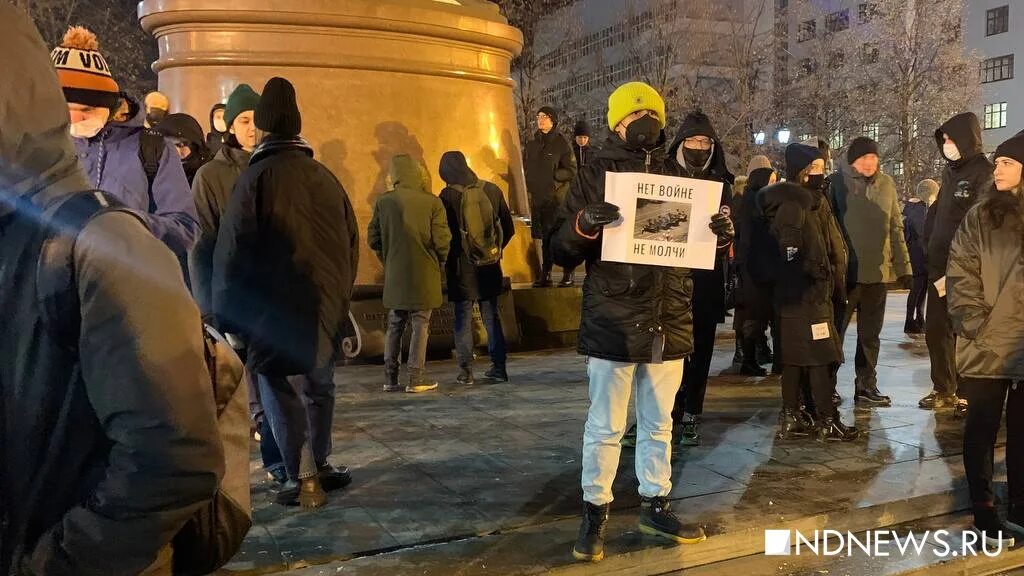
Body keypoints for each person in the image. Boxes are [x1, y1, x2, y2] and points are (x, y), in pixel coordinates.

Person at [0, 8, 222, 574]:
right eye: (69, 106)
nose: (79, 118)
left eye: (88, 108)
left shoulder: (144, 156)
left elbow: (171, 457)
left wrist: (115, 228)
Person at [552, 81, 734, 562]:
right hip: (613, 317)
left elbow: (699, 252)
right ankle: (595, 511)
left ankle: (657, 503)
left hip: (668, 314)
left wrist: (719, 237)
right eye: (634, 117)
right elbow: (558, 248)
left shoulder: (679, 176)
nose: (644, 124)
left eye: (651, 115)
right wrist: (584, 225)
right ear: (617, 123)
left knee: (659, 424)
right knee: (605, 426)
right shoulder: (595, 173)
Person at [213, 77, 359, 508]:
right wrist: (339, 300)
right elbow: (351, 244)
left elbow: (231, 255)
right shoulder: (325, 177)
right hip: (324, 307)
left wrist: (229, 320)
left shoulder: (253, 180)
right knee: (319, 384)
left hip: (270, 312)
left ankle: (302, 474)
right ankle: (322, 462)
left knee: (277, 386)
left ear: (261, 128)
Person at [189, 83, 284, 482]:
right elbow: (201, 243)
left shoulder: (274, 165)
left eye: (256, 121)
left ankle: (283, 461)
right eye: (244, 120)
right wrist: (209, 305)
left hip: (273, 294)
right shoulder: (210, 176)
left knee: (272, 384)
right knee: (243, 387)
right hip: (232, 297)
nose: (252, 128)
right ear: (229, 125)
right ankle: (264, 465)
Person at [51, 26, 198, 266]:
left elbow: (185, 227)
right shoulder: (35, 144)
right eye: (68, 111)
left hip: (124, 285)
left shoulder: (152, 147)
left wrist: (124, 225)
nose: (76, 121)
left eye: (86, 111)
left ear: (111, 107)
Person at [946, 132, 1024, 547]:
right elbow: (961, 272)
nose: (998, 169)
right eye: (997, 163)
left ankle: (1021, 507)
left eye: (1008, 163)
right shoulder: (980, 216)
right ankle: (985, 509)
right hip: (988, 341)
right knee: (981, 427)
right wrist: (975, 323)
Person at [764, 143, 857, 442]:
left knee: (796, 358)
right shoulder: (795, 203)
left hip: (810, 294)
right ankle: (826, 419)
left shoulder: (816, 200)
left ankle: (792, 415)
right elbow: (788, 249)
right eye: (813, 168)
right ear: (800, 172)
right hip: (806, 295)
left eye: (821, 166)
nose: (819, 173)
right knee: (820, 356)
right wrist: (814, 268)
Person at [666, 111, 735, 447]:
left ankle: (692, 408)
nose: (698, 147)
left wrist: (724, 236)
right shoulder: (663, 177)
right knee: (665, 352)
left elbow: (725, 242)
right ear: (681, 143)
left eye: (705, 142)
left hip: (704, 282)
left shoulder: (721, 186)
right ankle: (664, 411)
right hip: (667, 281)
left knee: (701, 347)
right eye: (693, 141)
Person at [829, 136, 912, 408]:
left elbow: (896, 228)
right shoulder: (836, 183)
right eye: (865, 157)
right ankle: (826, 385)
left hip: (877, 274)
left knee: (870, 335)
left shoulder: (886, 184)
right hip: (845, 275)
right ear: (853, 160)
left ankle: (866, 385)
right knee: (835, 333)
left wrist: (903, 267)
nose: (870, 162)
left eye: (874, 157)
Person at [921, 112, 993, 415]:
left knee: (966, 331)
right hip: (939, 267)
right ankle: (943, 388)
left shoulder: (984, 174)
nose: (946, 145)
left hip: (964, 269)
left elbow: (979, 223)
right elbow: (938, 215)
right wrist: (929, 246)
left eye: (950, 139)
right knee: (936, 329)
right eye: (944, 140)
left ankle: (967, 392)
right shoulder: (950, 172)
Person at [368, 154, 451, 394]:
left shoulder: (384, 203)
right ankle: (416, 377)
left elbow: (373, 238)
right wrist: (439, 262)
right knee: (420, 324)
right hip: (425, 272)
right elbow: (442, 241)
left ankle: (390, 377)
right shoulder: (432, 203)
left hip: (395, 273)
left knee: (395, 324)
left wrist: (388, 259)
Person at [438, 151, 516, 384]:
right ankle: (499, 368)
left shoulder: (446, 195)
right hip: (490, 266)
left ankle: (466, 371)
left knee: (462, 318)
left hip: (461, 267)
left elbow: (444, 235)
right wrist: (493, 250)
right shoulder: (491, 189)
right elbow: (508, 227)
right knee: (491, 316)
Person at [732, 155, 778, 377]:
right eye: (771, 177)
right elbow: (749, 237)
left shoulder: (755, 199)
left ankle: (751, 357)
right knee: (752, 315)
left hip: (756, 265)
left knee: (755, 315)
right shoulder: (753, 201)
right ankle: (748, 359)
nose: (774, 181)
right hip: (754, 268)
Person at [525, 106, 577, 288]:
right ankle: (545, 273)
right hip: (540, 199)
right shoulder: (532, 145)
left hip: (557, 199)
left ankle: (567, 273)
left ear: (553, 120)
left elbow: (571, 170)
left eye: (545, 117)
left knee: (561, 237)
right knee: (544, 238)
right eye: (538, 116)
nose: (540, 120)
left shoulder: (561, 144)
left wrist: (554, 177)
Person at [904, 179, 938, 335]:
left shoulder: (914, 209)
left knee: (921, 289)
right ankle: (911, 320)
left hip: (919, 255)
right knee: (917, 289)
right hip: (919, 256)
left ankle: (918, 319)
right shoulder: (918, 210)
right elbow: (922, 233)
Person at [156, 112, 212, 185]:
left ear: (195, 146)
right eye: (169, 146)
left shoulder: (208, 175)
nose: (176, 151)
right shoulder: (153, 173)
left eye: (182, 145)